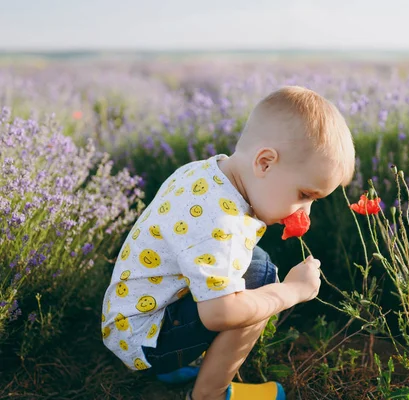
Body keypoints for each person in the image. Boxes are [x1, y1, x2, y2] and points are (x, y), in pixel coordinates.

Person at [100, 86, 356, 400]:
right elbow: (220, 313)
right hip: (146, 339)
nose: (306, 213)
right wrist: (291, 291)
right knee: (262, 281)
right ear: (264, 163)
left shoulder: (209, 173)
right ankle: (210, 393)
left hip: (130, 320)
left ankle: (171, 370)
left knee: (256, 263)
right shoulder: (220, 222)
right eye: (304, 195)